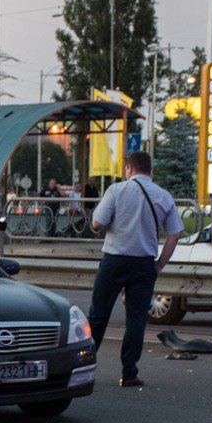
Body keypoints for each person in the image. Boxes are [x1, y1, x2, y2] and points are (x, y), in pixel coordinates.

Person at [88, 151, 184, 387]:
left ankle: (85, 367)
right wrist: (160, 264)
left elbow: (97, 223)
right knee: (136, 320)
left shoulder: (116, 190)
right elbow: (174, 235)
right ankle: (129, 373)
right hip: (144, 264)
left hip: (114, 260)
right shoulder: (163, 196)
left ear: (129, 168)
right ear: (150, 170)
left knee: (98, 316)